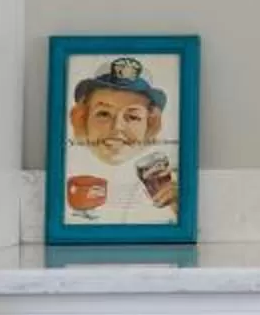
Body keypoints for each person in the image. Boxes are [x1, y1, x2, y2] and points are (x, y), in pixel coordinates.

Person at [64, 56, 179, 221]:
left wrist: (179, 207)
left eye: (132, 116)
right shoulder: (69, 165)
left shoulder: (161, 173)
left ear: (149, 124)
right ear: (83, 118)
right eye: (104, 114)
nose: (117, 127)